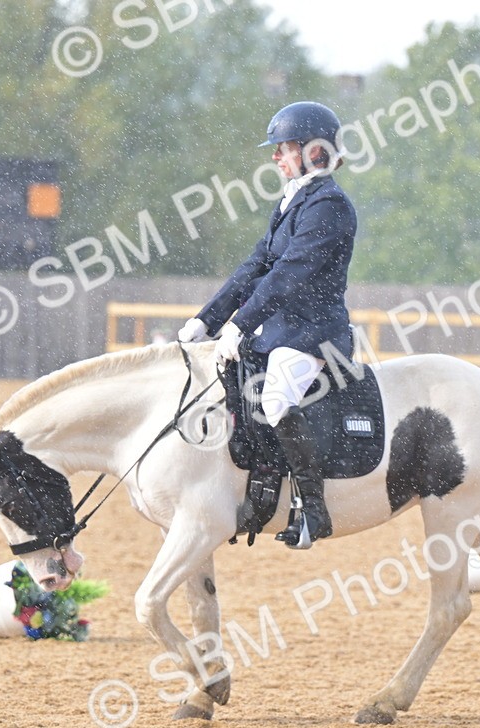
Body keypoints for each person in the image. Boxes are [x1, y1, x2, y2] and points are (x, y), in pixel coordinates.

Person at [177, 101, 356, 548]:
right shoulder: (293, 201)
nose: (275, 158)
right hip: (279, 331)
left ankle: (314, 511)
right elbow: (255, 266)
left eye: (283, 149)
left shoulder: (329, 205)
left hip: (316, 334)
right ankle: (259, 488)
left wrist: (240, 325)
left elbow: (289, 273)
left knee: (275, 400)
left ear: (313, 150)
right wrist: (207, 319)